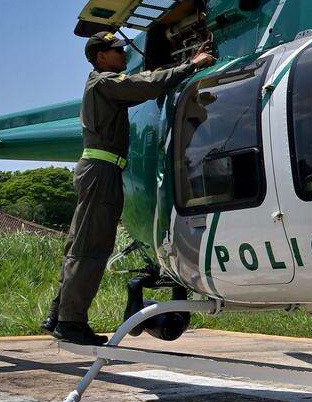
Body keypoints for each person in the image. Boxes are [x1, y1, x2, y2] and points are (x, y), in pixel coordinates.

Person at [42, 31, 214, 346]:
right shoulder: (104, 83)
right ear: (100, 57)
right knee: (91, 248)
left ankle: (58, 314)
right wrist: (191, 65)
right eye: (116, 51)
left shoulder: (100, 84)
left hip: (98, 171)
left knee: (79, 246)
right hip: (103, 172)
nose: (123, 55)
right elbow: (147, 86)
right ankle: (71, 322)